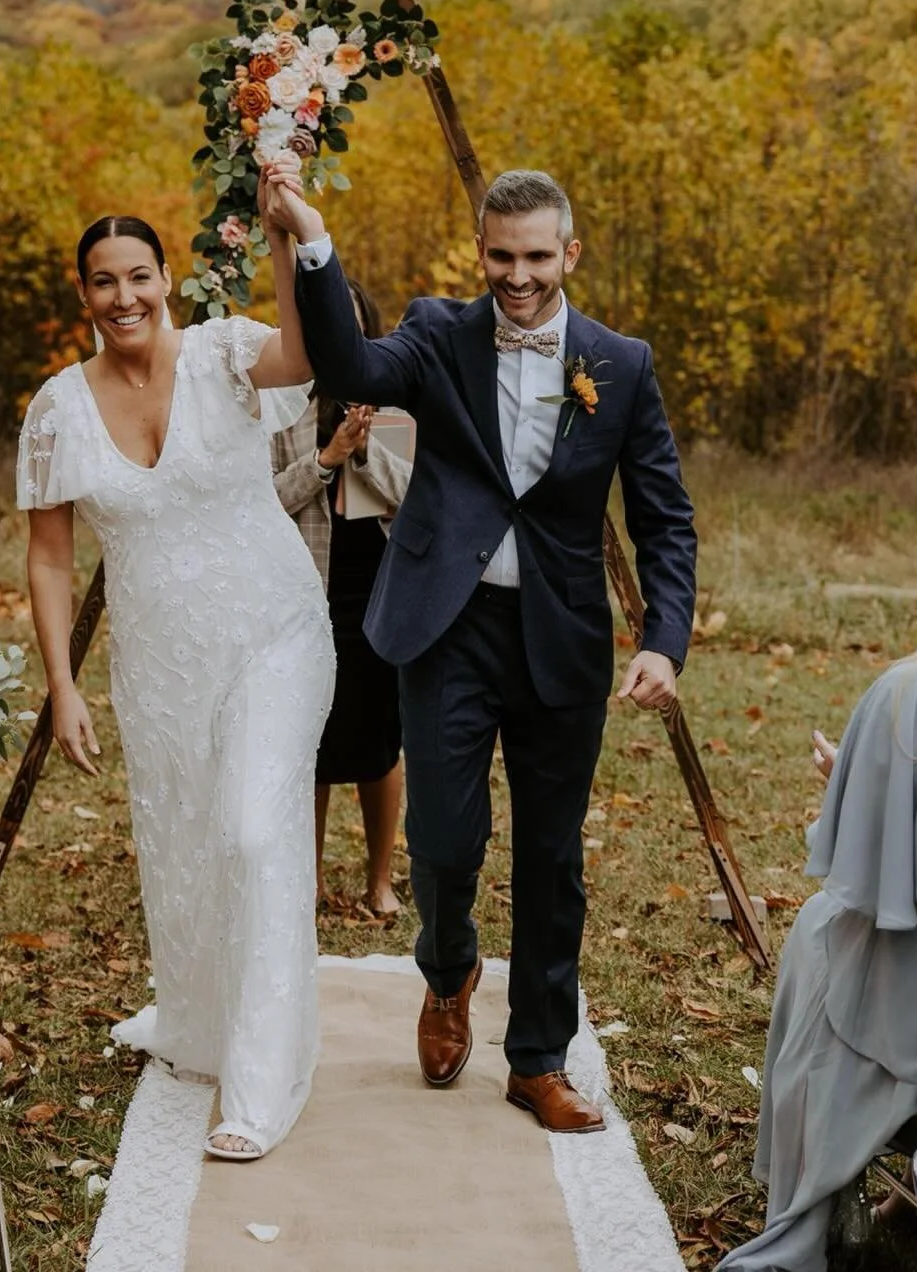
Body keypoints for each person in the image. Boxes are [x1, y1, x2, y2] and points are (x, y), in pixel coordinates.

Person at [266, 165, 696, 1133]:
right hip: (446, 627)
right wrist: (314, 238)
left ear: (568, 255)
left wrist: (664, 641)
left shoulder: (620, 365)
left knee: (552, 856)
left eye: (537, 257)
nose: (518, 276)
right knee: (444, 840)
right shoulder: (435, 334)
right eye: (501, 257)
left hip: (562, 641)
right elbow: (350, 371)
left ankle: (536, 1058)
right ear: (481, 253)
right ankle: (448, 965)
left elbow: (666, 518)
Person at [17, 193, 335, 1162]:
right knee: (191, 849)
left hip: (275, 633)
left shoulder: (226, 355)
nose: (125, 296)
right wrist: (65, 683)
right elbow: (50, 557)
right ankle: (203, 1027)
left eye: (140, 276)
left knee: (250, 830)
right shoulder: (57, 408)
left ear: (166, 281)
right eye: (105, 281)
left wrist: (292, 241)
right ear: (85, 294)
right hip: (157, 667)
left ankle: (262, 1080)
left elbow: (306, 353)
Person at [719, 486, 917, 1272]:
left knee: (820, 929)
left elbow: (861, 879)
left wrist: (859, 787)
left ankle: (813, 1199)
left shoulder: (911, 697)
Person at [269, 277, 411, 915]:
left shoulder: (395, 400)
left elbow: (412, 495)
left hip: (377, 587)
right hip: (302, 587)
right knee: (313, 740)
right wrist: (325, 457)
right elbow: (263, 501)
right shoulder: (279, 405)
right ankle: (312, 880)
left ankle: (379, 880)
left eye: (346, 323)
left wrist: (362, 450)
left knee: (380, 740)